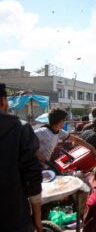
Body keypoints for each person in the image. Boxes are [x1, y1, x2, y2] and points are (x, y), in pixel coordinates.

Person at [0, 83, 43, 232]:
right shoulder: (20, 128)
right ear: (3, 101)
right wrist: (37, 215)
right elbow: (32, 175)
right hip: (14, 218)